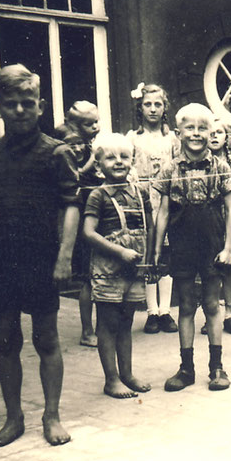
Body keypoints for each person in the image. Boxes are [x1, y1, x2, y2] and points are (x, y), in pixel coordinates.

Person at [0, 64, 79, 446]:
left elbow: (71, 205)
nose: (19, 110)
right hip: (0, 260)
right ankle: (13, 418)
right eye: (11, 104)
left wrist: (65, 257)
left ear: (41, 106)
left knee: (47, 339)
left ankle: (51, 415)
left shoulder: (57, 153)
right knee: (6, 341)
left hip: (41, 258)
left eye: (27, 103)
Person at [153, 103, 231, 392]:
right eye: (190, 128)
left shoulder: (220, 166)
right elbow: (163, 211)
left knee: (213, 305)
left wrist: (228, 248)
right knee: (187, 305)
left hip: (212, 245)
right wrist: (156, 249)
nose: (197, 133)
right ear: (179, 133)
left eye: (203, 128)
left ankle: (217, 367)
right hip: (182, 245)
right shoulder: (169, 168)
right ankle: (186, 368)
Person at [82, 133, 153, 399]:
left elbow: (151, 225)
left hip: (134, 267)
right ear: (98, 165)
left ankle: (127, 374)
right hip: (108, 268)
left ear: (132, 160)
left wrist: (152, 256)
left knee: (126, 322)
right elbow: (88, 233)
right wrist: (119, 251)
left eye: (124, 157)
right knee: (108, 323)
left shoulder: (139, 192)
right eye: (110, 158)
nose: (119, 162)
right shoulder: (97, 196)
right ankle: (111, 379)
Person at [127, 82, 179, 335]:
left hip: (166, 202)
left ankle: (166, 310)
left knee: (166, 255)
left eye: (158, 104)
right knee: (148, 255)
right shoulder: (133, 138)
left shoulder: (172, 138)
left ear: (164, 108)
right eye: (147, 104)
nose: (153, 109)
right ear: (140, 107)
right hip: (142, 202)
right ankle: (151, 312)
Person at [54, 100, 102, 347]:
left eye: (97, 121)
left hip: (92, 205)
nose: (96, 127)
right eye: (89, 123)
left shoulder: (80, 139)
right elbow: (76, 174)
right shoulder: (71, 142)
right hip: (81, 209)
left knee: (95, 271)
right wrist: (95, 157)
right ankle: (87, 331)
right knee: (88, 274)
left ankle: (96, 327)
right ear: (73, 123)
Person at [202, 117, 231, 335]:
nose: (214, 136)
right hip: (209, 221)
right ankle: (209, 314)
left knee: (227, 269)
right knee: (206, 269)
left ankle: (230, 314)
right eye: (210, 132)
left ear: (227, 136)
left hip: (230, 218)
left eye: (219, 132)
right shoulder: (201, 161)